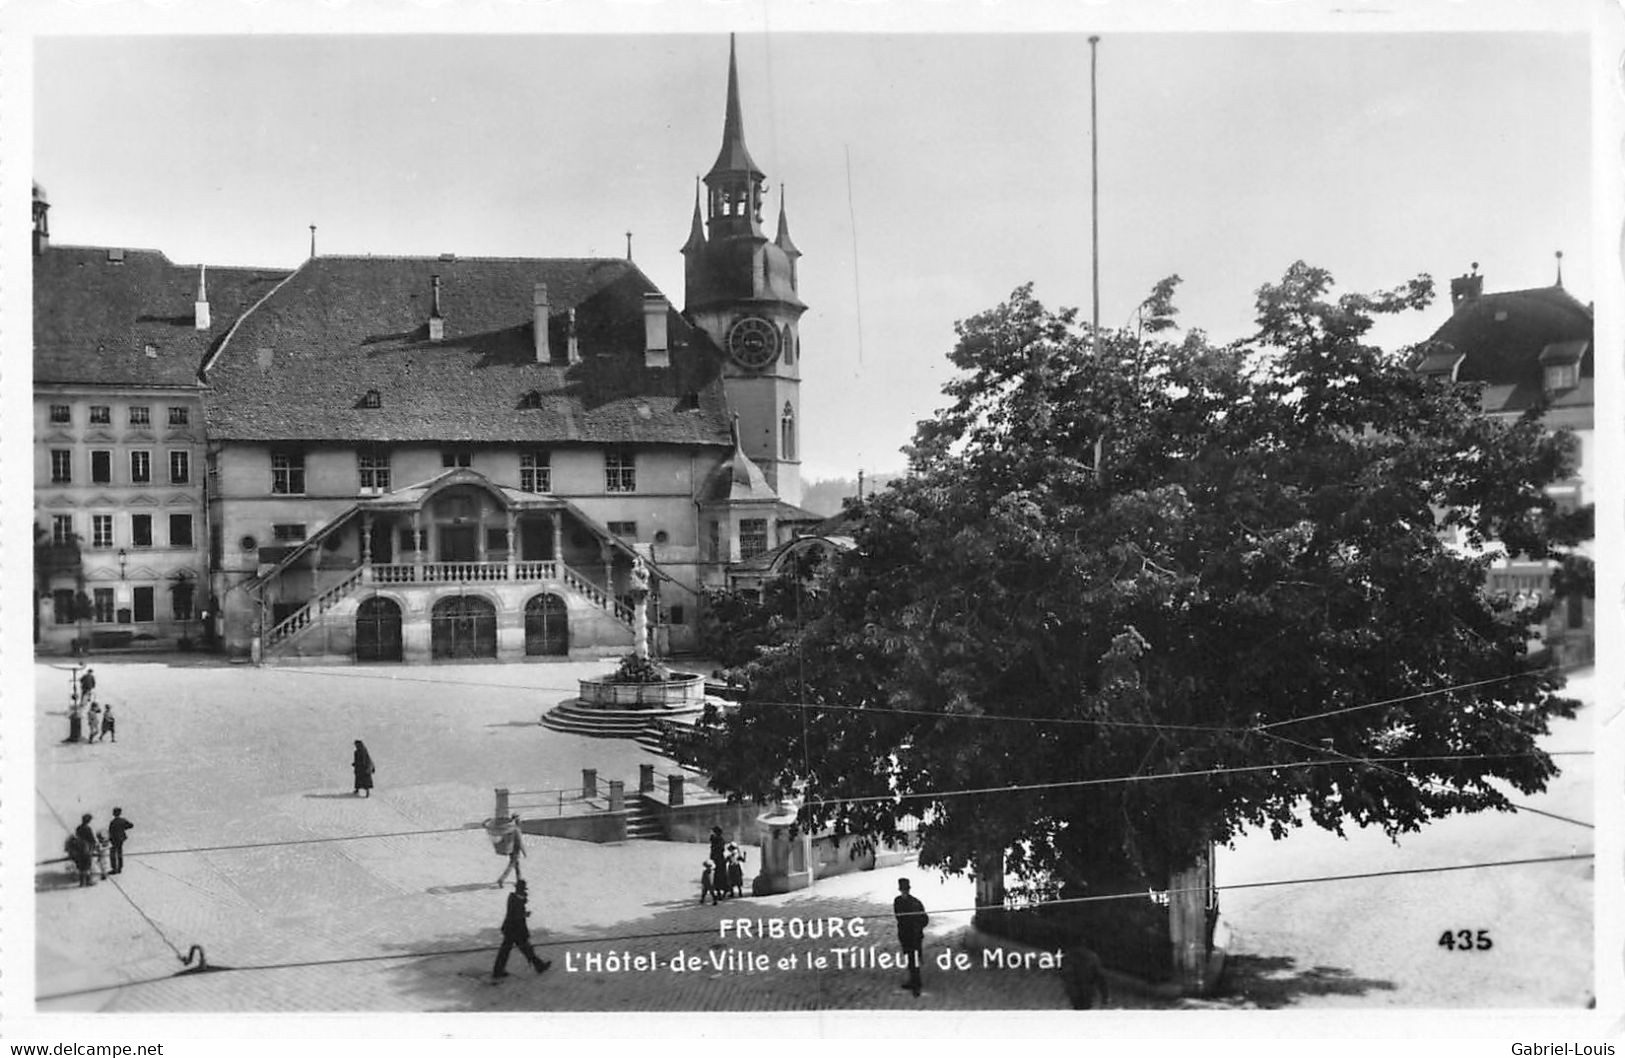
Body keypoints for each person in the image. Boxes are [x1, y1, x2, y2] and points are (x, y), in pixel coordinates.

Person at [492, 880, 551, 978]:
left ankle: (498, 971)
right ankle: (539, 966)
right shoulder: (516, 900)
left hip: (511, 930)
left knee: (509, 951)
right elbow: (515, 915)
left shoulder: (513, 898)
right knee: (523, 950)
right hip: (515, 931)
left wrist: (523, 903)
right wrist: (524, 913)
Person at [893, 878, 928, 996]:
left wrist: (917, 927)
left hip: (914, 935)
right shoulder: (898, 901)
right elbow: (899, 917)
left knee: (914, 959)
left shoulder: (915, 903)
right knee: (910, 958)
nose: (904, 892)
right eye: (903, 890)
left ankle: (916, 983)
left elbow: (924, 919)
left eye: (905, 890)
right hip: (905, 934)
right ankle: (914, 980)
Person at [495, 815, 525, 887]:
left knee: (516, 864)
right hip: (515, 850)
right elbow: (519, 842)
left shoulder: (509, 828)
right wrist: (524, 852)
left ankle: (519, 879)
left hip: (510, 849)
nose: (520, 821)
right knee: (511, 865)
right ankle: (501, 879)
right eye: (519, 820)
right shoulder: (516, 829)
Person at [107, 807, 133, 874]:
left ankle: (114, 868)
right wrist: (123, 829)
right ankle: (119, 868)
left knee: (113, 854)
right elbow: (131, 825)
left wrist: (109, 839)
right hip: (121, 839)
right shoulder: (123, 820)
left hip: (114, 839)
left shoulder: (112, 822)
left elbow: (110, 832)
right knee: (119, 853)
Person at [708, 827, 728, 901]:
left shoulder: (719, 840)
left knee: (720, 876)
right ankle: (719, 892)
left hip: (720, 861)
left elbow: (719, 850)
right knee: (717, 877)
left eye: (713, 832)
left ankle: (722, 891)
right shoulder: (715, 839)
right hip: (716, 860)